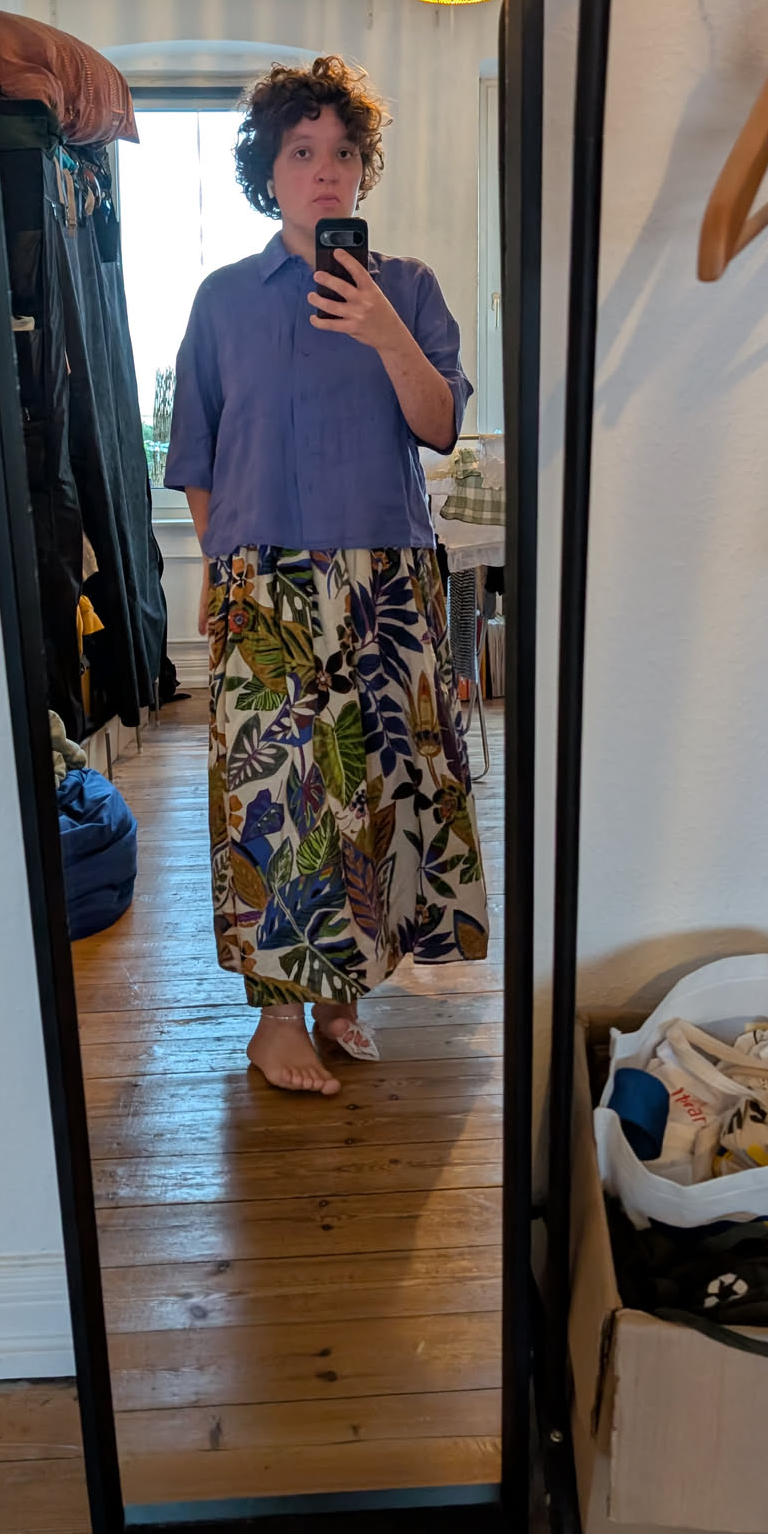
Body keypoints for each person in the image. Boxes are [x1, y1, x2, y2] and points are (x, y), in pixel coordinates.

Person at [165, 55, 488, 1097]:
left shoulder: (411, 289)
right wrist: (223, 572)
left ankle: (347, 990)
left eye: (343, 151)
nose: (325, 170)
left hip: (385, 582)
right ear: (268, 172)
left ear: (362, 169)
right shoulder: (223, 300)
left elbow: (438, 426)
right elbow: (197, 455)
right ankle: (276, 1021)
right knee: (277, 800)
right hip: (266, 584)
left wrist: (385, 328)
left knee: (378, 789)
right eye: (301, 151)